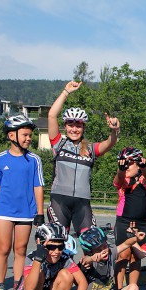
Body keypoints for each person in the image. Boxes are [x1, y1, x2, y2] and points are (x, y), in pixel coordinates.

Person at [0, 114, 45, 290]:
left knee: (21, 250)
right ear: (11, 135)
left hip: (26, 211)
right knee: (3, 249)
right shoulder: (1, 158)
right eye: (25, 135)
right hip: (5, 210)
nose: (29, 138)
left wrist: (39, 213)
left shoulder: (34, 160)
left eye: (30, 135)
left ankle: (17, 288)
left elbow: (38, 186)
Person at [46, 81, 119, 235]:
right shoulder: (58, 144)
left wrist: (114, 130)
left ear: (83, 127)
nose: (74, 129)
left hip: (82, 203)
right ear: (65, 126)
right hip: (59, 201)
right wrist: (66, 91)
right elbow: (52, 115)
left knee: (91, 243)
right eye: (70, 125)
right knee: (57, 242)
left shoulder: (91, 149)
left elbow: (110, 143)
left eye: (78, 125)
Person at [113, 146, 146, 290]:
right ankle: (118, 289)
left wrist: (145, 167)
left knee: (135, 257)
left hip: (143, 223)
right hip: (124, 221)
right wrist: (121, 169)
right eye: (123, 163)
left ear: (138, 163)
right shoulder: (123, 178)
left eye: (129, 163)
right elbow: (117, 181)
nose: (126, 166)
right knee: (123, 254)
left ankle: (133, 288)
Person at [78, 226, 140, 290]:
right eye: (98, 250)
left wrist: (136, 238)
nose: (103, 251)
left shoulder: (111, 252)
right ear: (90, 252)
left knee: (134, 287)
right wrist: (92, 258)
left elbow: (126, 244)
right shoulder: (88, 260)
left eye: (104, 246)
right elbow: (85, 260)